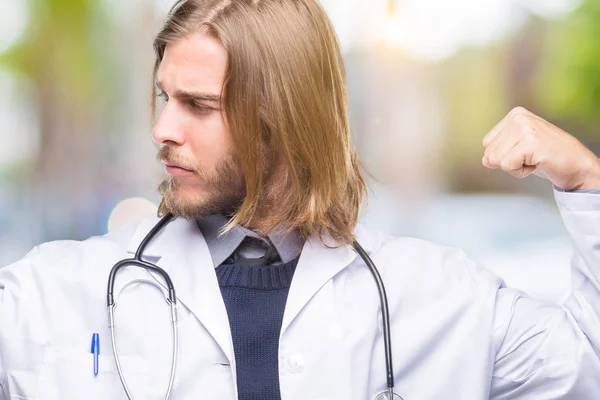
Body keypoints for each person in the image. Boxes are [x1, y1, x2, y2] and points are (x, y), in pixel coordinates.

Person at [1, 0, 600, 398]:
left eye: (199, 105)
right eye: (164, 97)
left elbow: (587, 366)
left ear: (284, 118)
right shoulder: (51, 292)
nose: (162, 128)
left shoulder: (442, 296)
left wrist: (586, 184)